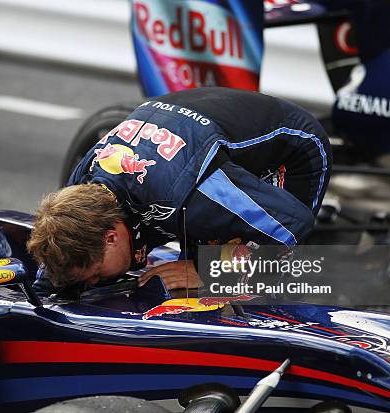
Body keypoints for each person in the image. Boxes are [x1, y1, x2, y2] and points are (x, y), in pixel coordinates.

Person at [27, 87, 332, 292]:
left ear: (111, 237)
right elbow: (59, 270)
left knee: (244, 281)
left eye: (95, 273)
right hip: (196, 134)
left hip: (293, 149)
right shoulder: (80, 187)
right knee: (184, 275)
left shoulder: (185, 193)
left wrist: (209, 269)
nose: (93, 283)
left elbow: (290, 224)